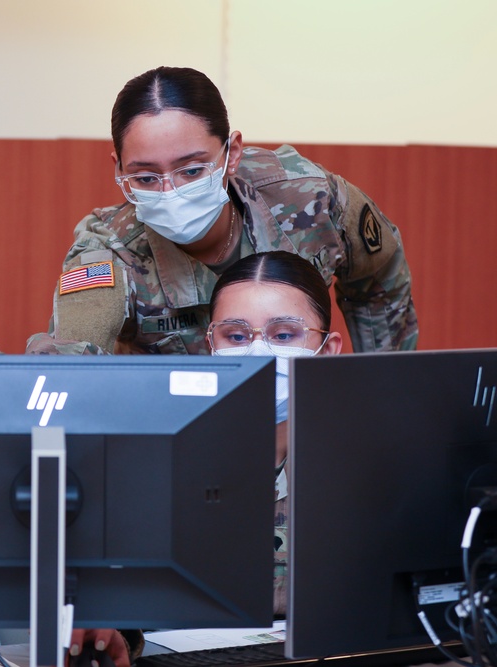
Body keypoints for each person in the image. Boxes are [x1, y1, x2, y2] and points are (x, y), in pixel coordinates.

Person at [25, 66, 417, 356]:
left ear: (232, 154)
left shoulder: (310, 198)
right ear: (118, 168)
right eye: (145, 177)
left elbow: (379, 275)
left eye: (192, 170)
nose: (170, 191)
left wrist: (376, 390)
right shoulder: (109, 249)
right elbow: (71, 354)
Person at [207, 250, 343, 617]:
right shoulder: (173, 464)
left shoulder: (362, 468)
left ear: (327, 351)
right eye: (235, 336)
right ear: (211, 347)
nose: (257, 351)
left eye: (283, 334)